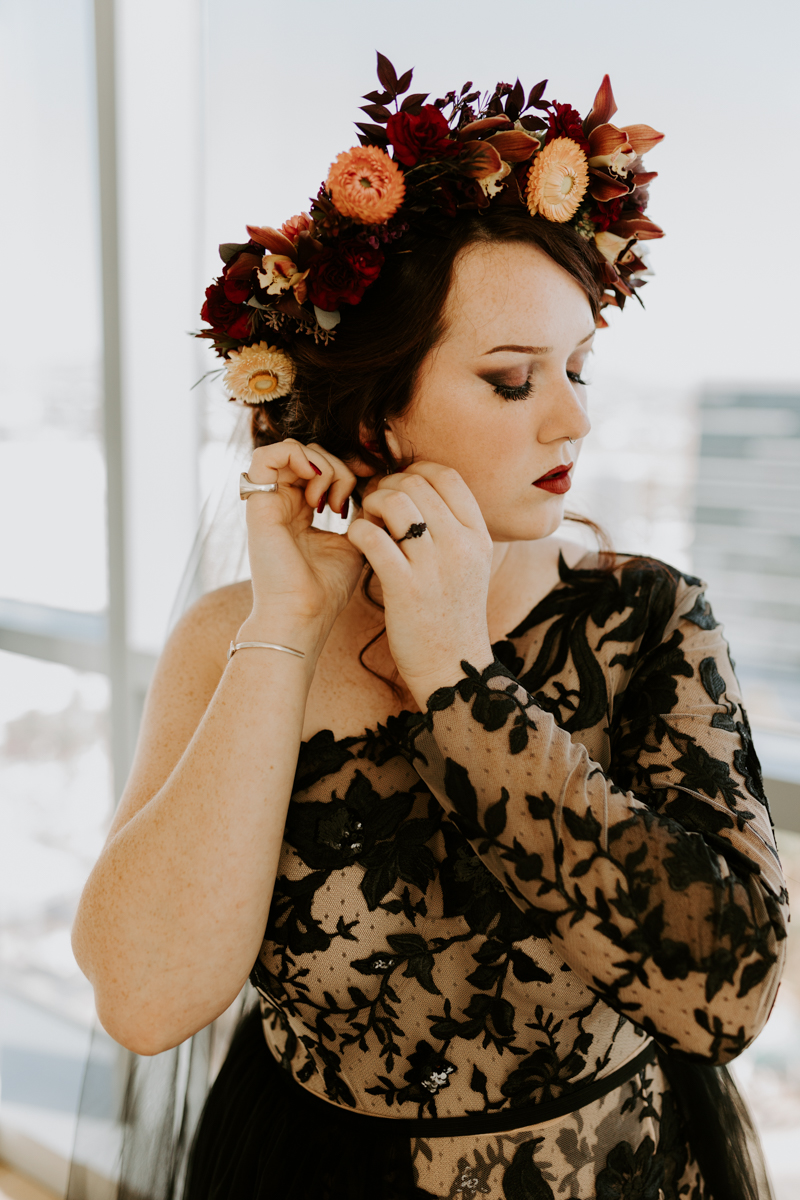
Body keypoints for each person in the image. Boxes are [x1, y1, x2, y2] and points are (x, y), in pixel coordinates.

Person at [71, 58, 787, 1199]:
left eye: (577, 367)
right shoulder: (240, 632)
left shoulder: (646, 619)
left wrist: (458, 670)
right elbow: (145, 1003)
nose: (574, 416)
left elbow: (728, 990)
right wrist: (287, 625)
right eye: (513, 381)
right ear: (374, 410)